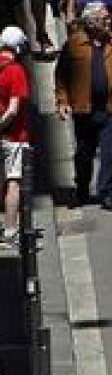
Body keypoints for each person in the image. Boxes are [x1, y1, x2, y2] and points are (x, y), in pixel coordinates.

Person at [54, 1, 112, 209]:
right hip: (83, 109)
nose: (109, 22)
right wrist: (62, 101)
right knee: (84, 153)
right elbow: (61, 75)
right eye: (104, 19)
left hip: (110, 109)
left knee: (109, 154)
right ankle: (82, 187)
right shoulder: (74, 44)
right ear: (91, 22)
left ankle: (107, 193)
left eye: (108, 18)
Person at [0, 25, 29, 248]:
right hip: (13, 135)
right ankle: (10, 231)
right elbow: (13, 109)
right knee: (13, 181)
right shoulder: (15, 70)